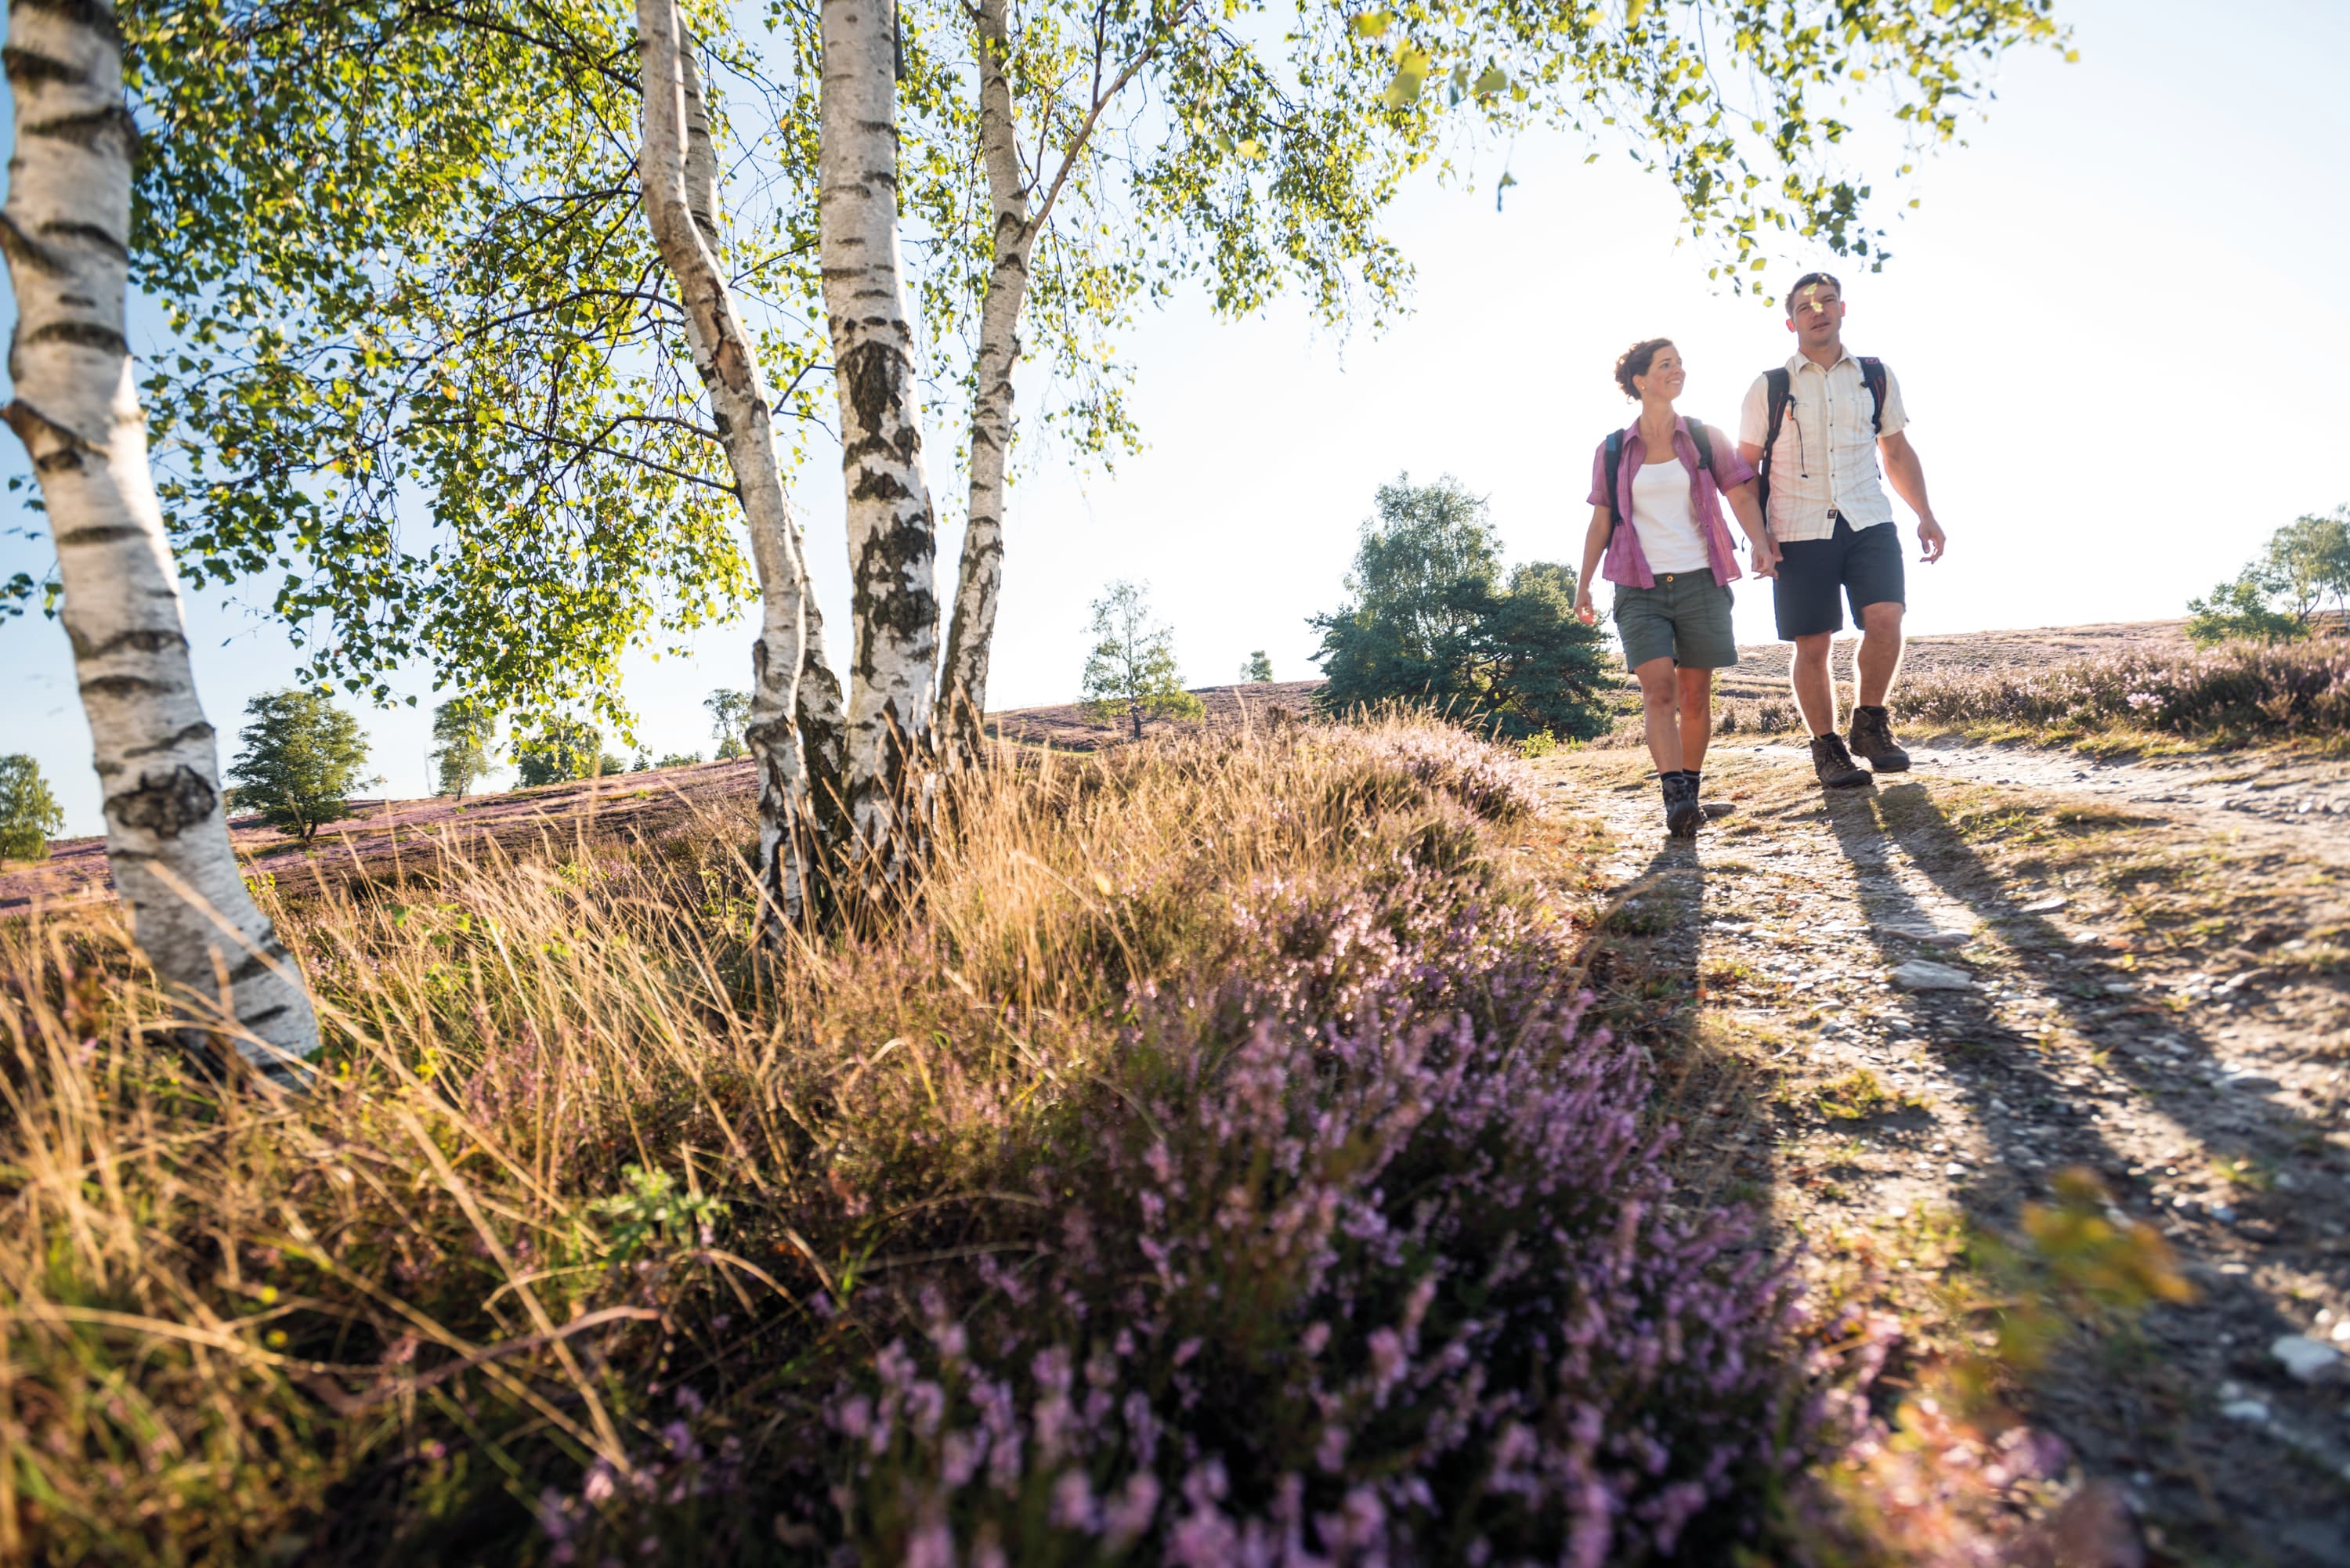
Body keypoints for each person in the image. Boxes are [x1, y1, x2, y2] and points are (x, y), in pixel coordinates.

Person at [1737, 272, 1947, 789]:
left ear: (1842, 309)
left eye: (1827, 301)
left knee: (1886, 619)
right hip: (1797, 526)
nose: (1818, 310)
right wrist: (1758, 539)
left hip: (1868, 518)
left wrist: (1925, 512)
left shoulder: (1874, 376)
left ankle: (1871, 725)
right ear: (1791, 321)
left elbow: (1895, 452)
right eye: (1807, 306)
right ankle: (1827, 749)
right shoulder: (1770, 387)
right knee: (1812, 644)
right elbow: (1743, 471)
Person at [1574, 338, 1779, 838]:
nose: (1678, 371)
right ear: (1641, 380)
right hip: (1638, 587)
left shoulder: (1705, 438)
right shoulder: (1614, 449)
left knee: (1695, 695)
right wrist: (1582, 586)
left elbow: (1740, 493)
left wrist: (1760, 542)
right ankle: (1675, 797)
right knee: (1659, 691)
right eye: (1667, 365)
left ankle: (1691, 790)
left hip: (1700, 581)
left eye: (1681, 363)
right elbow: (1601, 523)